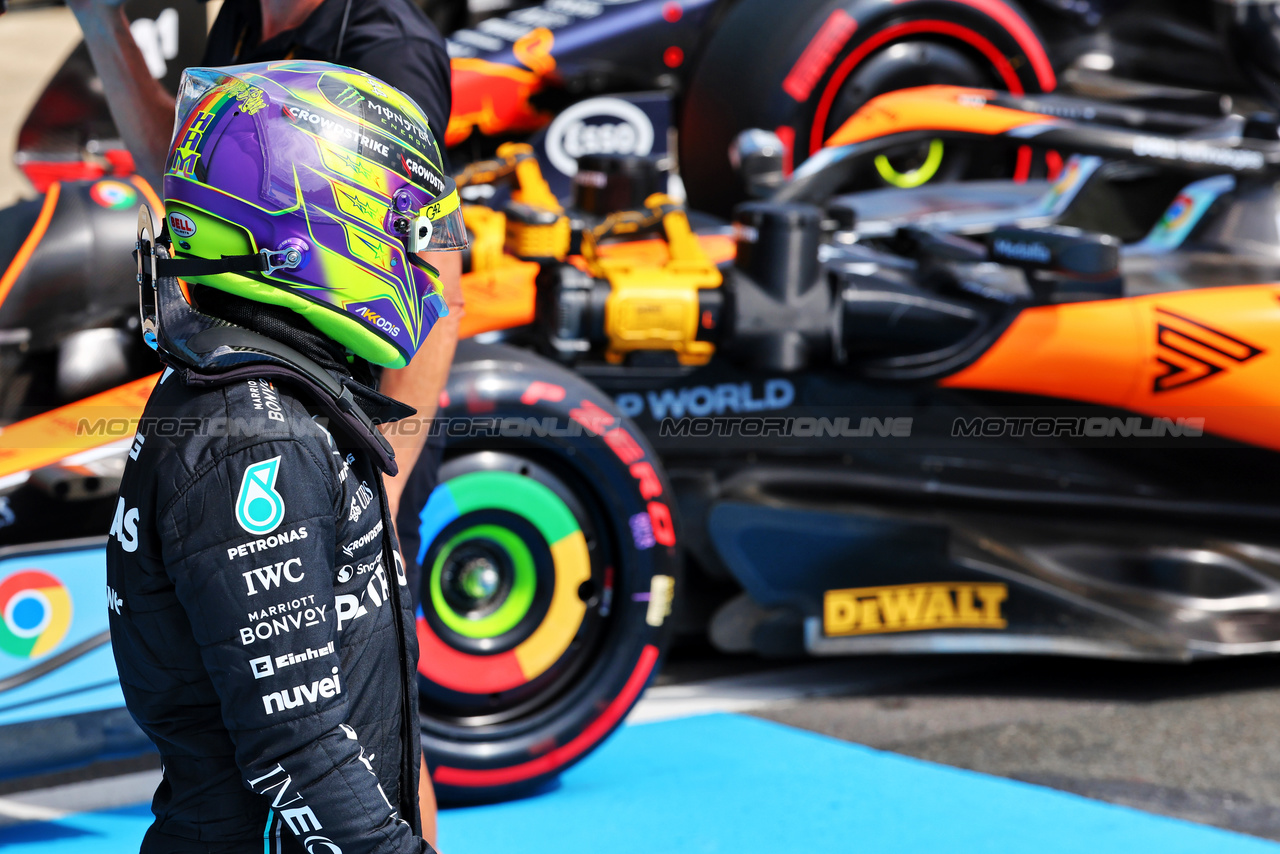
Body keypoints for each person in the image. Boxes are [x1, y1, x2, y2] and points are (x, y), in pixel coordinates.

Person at [69, 0, 459, 836]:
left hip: (351, 421)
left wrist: (381, 488)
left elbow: (432, 258)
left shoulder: (387, 42)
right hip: (292, 430)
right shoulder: (250, 432)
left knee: (377, 713)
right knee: (335, 726)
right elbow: (303, 750)